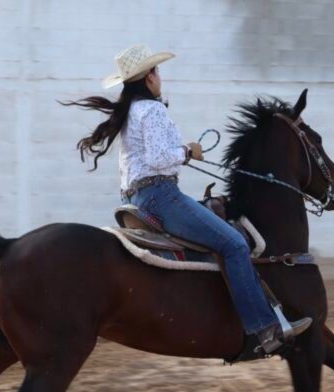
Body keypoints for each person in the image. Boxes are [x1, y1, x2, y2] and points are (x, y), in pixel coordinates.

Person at [63, 44, 311, 357]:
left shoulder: (129, 112)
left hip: (138, 197)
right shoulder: (152, 110)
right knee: (234, 244)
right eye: (157, 71)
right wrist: (187, 151)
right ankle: (265, 328)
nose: (159, 77)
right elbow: (157, 158)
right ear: (150, 77)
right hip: (161, 196)